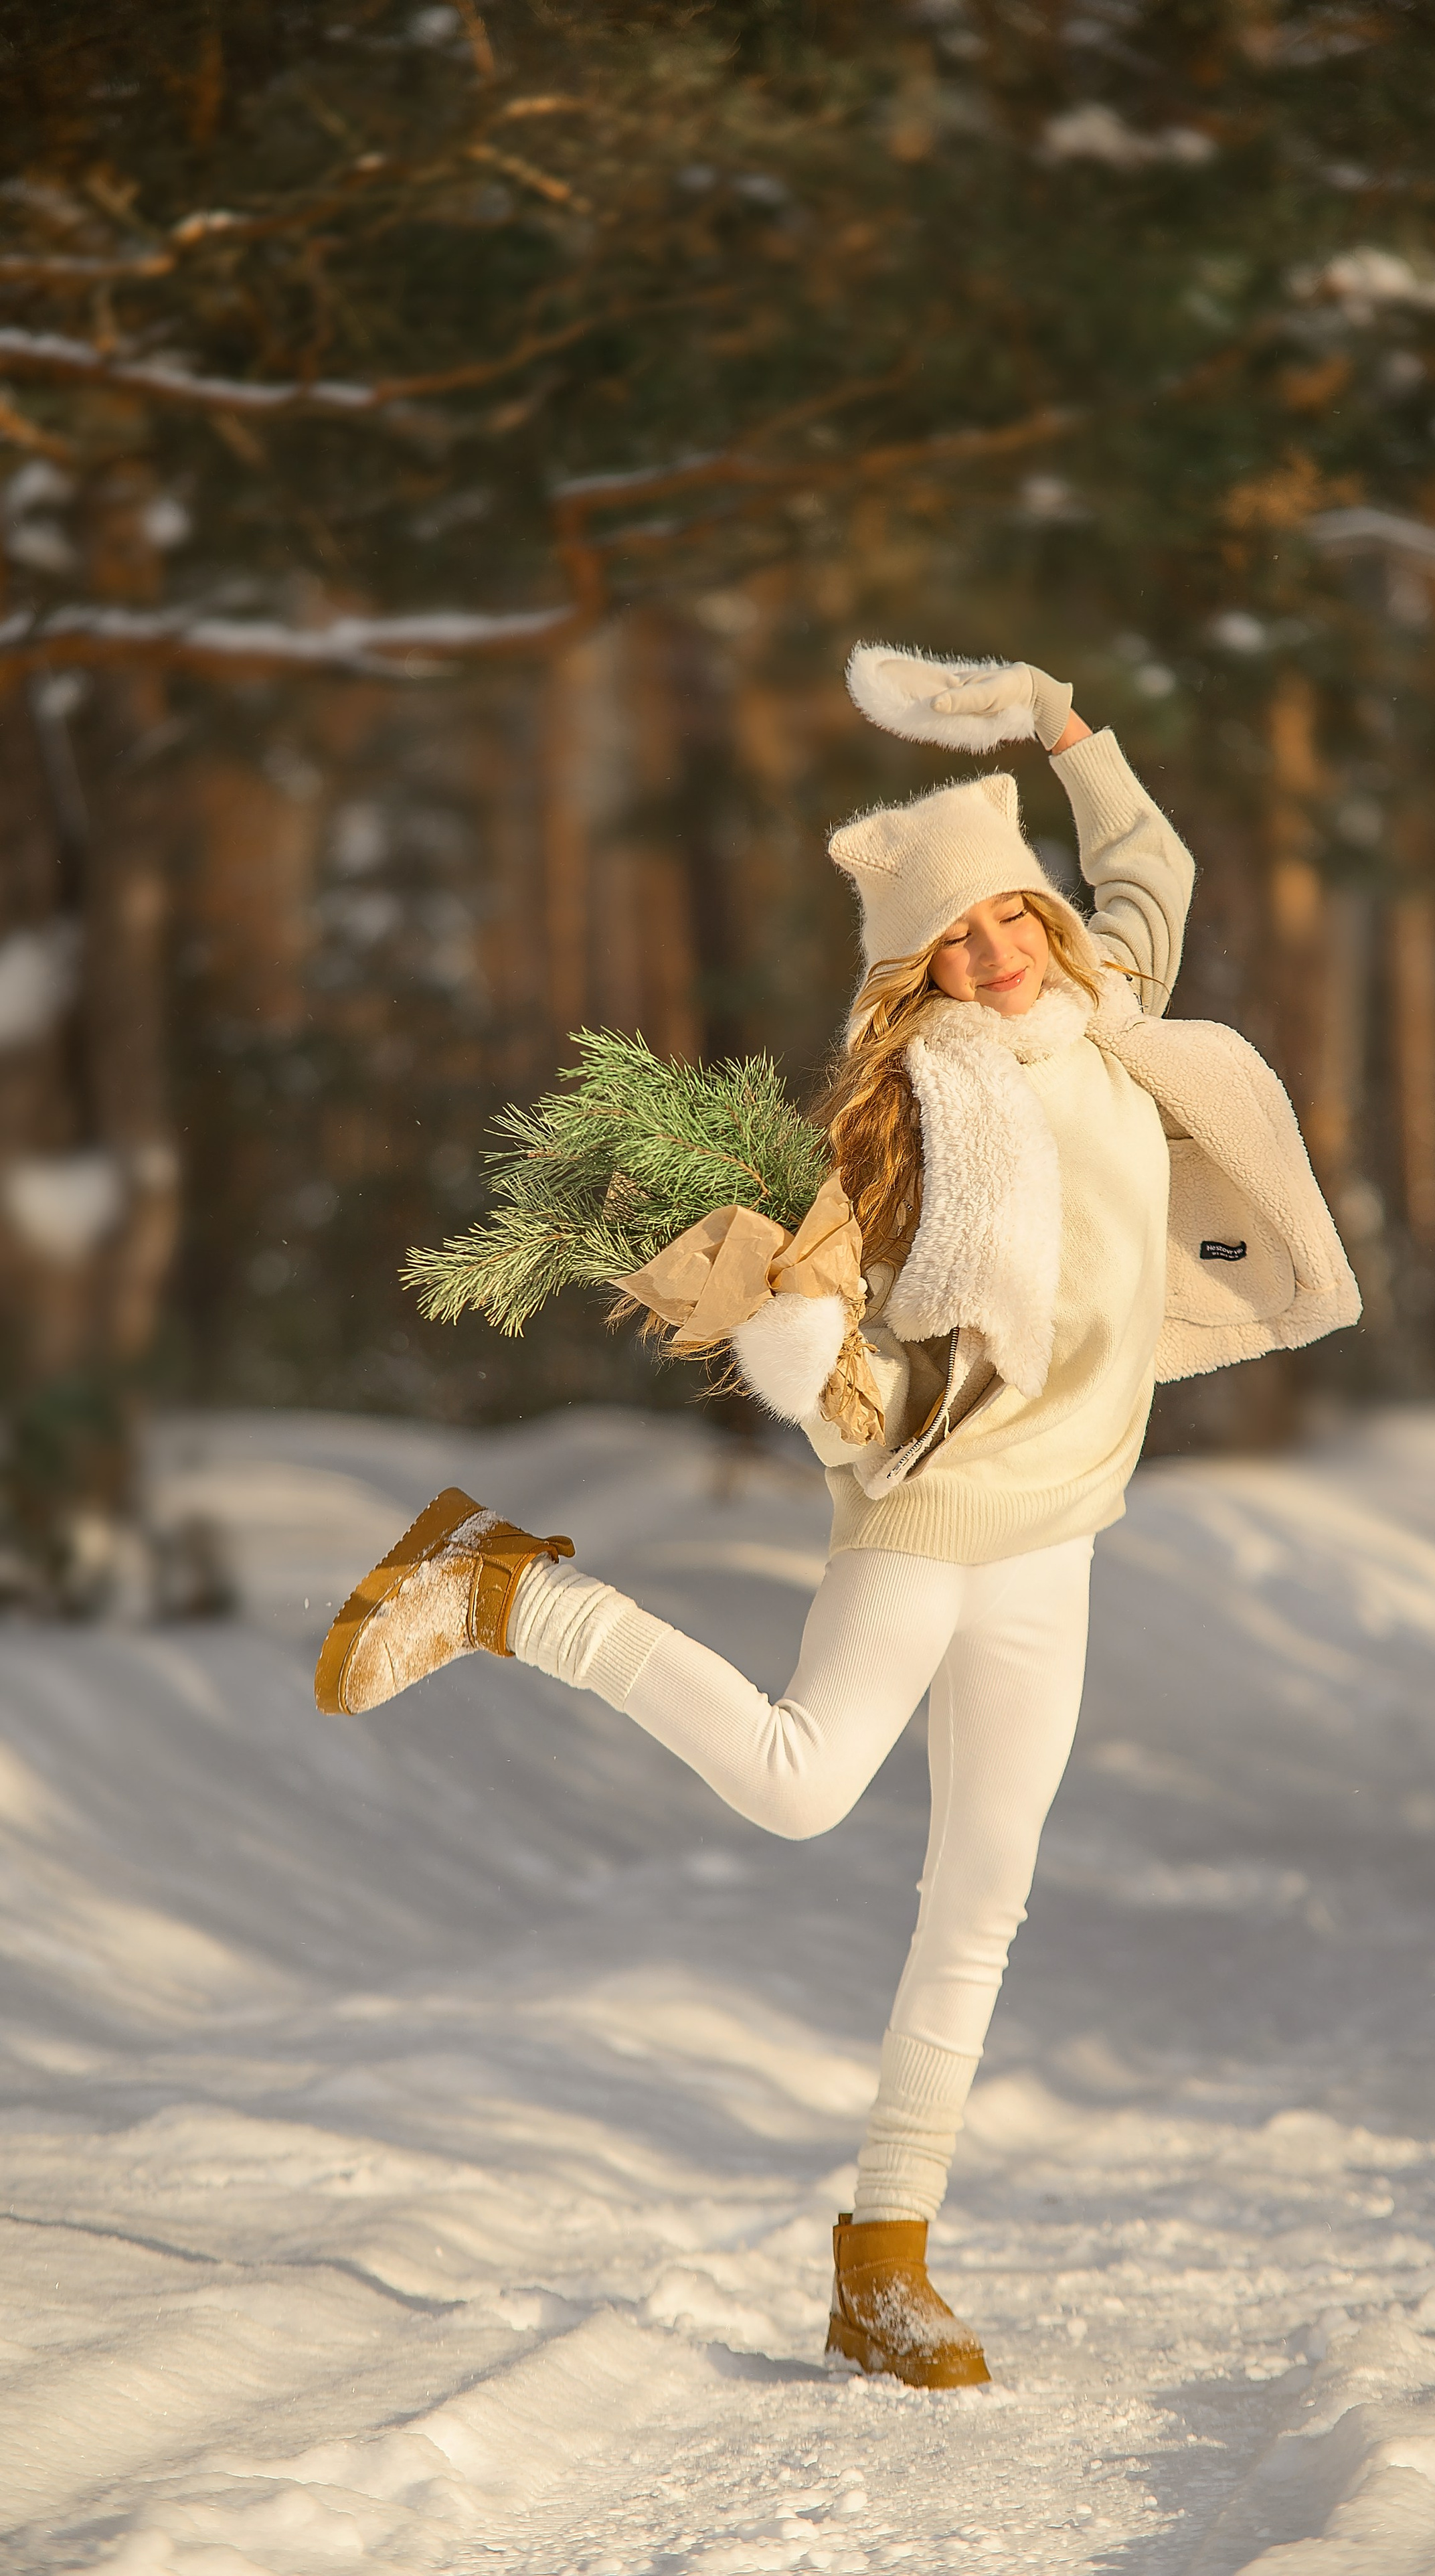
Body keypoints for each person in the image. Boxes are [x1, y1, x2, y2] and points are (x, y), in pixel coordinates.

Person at [314, 655, 1357, 2388]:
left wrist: (1063, 721)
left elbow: (1154, 869)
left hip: (1061, 1536)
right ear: (911, 971)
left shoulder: (1110, 1013)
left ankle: (886, 2263)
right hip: (938, 1509)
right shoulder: (910, 1119)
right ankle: (507, 1591)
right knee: (801, 1785)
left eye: (1009, 915)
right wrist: (804, 1359)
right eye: (953, 939)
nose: (995, 951)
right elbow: (849, 1352)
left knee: (984, 1897)